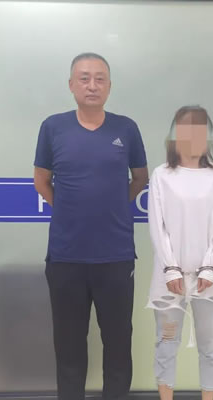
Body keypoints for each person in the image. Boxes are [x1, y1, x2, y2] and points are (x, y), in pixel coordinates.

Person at [33, 52, 148, 400]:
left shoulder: (126, 128)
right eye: (84, 78)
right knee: (69, 346)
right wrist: (71, 208)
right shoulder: (53, 127)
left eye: (100, 79)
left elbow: (139, 178)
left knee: (118, 344)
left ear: (109, 86)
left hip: (115, 256)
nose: (92, 85)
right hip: (66, 256)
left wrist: (112, 206)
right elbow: (41, 181)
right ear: (71, 85)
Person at [147, 105, 213, 400]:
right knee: (166, 343)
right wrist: (170, 268)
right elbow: (158, 226)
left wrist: (210, 267)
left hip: (209, 281)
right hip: (169, 281)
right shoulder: (162, 175)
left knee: (210, 348)